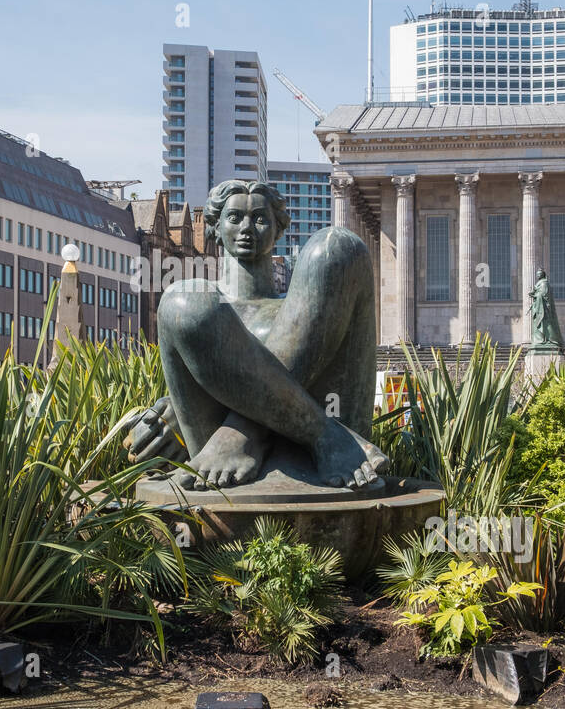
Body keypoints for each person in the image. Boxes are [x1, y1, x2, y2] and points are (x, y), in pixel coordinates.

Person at [138, 179, 387, 490]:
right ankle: (323, 433)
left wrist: (235, 428)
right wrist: (175, 408)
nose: (247, 228)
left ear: (278, 229)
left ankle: (241, 436)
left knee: (336, 245)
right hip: (220, 447)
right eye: (234, 218)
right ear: (214, 228)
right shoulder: (199, 305)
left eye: (259, 218)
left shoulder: (309, 305)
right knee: (182, 301)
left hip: (322, 448)